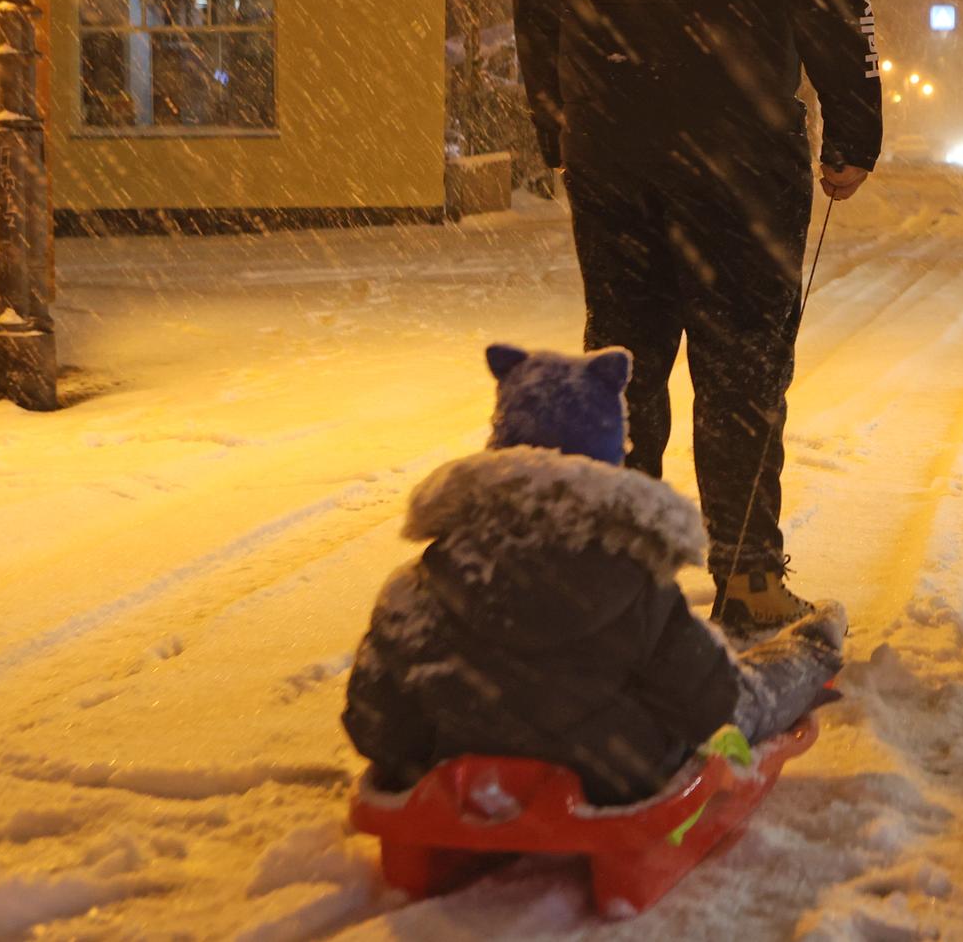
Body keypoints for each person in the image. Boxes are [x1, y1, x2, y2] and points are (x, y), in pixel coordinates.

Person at [508, 0, 881, 632]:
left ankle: (627, 564)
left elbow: (534, 1)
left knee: (623, 353)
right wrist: (852, 125)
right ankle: (749, 572)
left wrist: (559, 128)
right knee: (744, 359)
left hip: (614, 144)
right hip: (741, 142)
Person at [342, 344, 845, 803]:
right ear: (610, 457)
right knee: (742, 695)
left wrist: (444, 743)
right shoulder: (634, 582)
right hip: (615, 777)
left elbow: (373, 724)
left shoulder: (415, 587)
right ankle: (813, 647)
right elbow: (713, 703)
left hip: (449, 773)